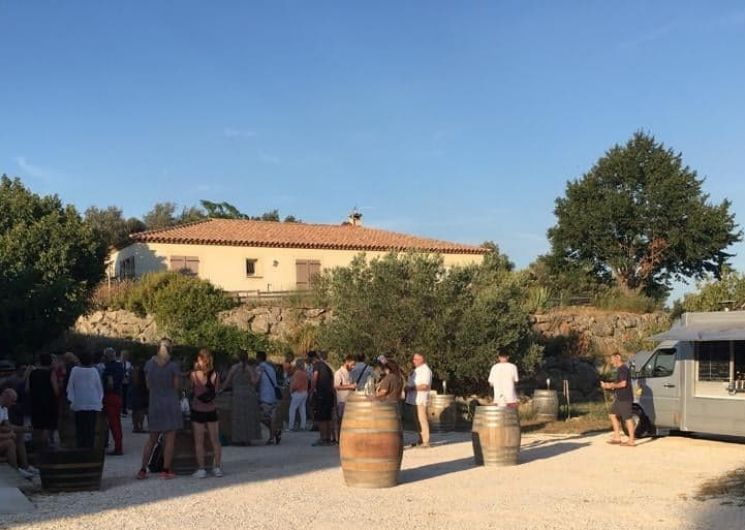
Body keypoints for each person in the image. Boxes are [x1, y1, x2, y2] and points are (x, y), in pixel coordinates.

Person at [137, 339, 182, 480]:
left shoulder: (149, 365)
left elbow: (148, 385)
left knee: (152, 439)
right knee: (169, 439)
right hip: (170, 403)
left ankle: (142, 469)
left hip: (155, 403)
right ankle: (165, 470)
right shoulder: (173, 366)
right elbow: (176, 386)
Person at [190, 349, 223, 478]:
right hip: (211, 409)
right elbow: (216, 391)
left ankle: (201, 468)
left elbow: (192, 389)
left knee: (199, 441)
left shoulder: (194, 374)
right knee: (215, 440)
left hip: (198, 409)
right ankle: (217, 467)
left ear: (200, 360)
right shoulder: (216, 375)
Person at [66, 352, 104, 449]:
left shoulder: (75, 370)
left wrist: (71, 400)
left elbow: (70, 386)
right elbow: (99, 387)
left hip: (79, 402)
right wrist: (99, 400)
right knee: (90, 428)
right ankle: (89, 447)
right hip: (92, 402)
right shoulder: (94, 371)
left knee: (80, 428)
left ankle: (81, 447)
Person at [222, 351, 261, 445]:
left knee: (238, 418)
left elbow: (227, 382)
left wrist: (221, 389)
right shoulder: (249, 368)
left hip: (237, 394)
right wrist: (259, 376)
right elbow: (254, 381)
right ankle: (248, 439)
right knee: (248, 417)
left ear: (238, 358)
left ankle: (239, 439)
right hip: (249, 394)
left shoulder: (234, 368)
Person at [0, 389, 37, 479]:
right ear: (6, 397)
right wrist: (8, 434)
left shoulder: (4, 408)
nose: (13, 404)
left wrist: (24, 429)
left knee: (19, 436)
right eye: (12, 401)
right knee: (10, 443)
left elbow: (8, 425)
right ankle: (15, 470)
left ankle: (25, 466)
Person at [601, 352, 636, 447]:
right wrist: (609, 386)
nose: (612, 362)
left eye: (613, 359)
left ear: (618, 358)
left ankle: (631, 440)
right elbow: (619, 384)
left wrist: (611, 385)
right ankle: (617, 437)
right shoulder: (620, 369)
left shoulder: (623, 369)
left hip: (625, 398)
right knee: (612, 414)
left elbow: (623, 384)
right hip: (619, 398)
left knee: (628, 418)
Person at [27, 353, 60, 449]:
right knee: (47, 426)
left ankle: (36, 446)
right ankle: (45, 446)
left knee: (37, 426)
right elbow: (56, 390)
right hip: (49, 403)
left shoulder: (33, 373)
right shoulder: (51, 373)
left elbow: (27, 388)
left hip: (35, 402)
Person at [405, 352, 432, 448]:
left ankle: (426, 441)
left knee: (422, 419)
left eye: (416, 359)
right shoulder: (416, 370)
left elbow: (425, 386)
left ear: (422, 359)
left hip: (421, 399)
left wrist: (411, 388)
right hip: (414, 399)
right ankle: (420, 439)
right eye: (413, 359)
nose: (414, 361)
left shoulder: (425, 370)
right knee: (416, 420)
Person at [308, 351, 335, 446]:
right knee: (328, 417)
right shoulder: (327, 366)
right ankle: (328, 438)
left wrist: (311, 392)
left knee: (321, 418)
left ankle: (323, 438)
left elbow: (314, 378)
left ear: (311, 359)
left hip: (321, 395)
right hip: (329, 394)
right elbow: (332, 380)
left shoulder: (317, 366)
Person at [101, 347, 125, 455]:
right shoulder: (120, 366)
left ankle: (118, 448)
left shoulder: (109, 367)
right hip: (118, 395)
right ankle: (119, 444)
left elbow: (110, 382)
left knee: (113, 423)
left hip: (110, 396)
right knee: (117, 422)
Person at [256, 351, 282, 445]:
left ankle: (272, 436)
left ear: (258, 358)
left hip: (264, 396)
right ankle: (275, 432)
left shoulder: (259, 368)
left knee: (261, 416)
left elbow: (256, 381)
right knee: (270, 417)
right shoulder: (271, 368)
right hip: (273, 395)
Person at [334, 355, 357, 432]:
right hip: (342, 401)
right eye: (352, 364)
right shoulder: (338, 373)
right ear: (347, 362)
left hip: (349, 401)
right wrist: (350, 386)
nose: (353, 367)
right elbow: (336, 386)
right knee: (341, 421)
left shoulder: (350, 373)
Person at [288, 359, 309, 431]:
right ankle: (303, 426)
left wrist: (292, 389)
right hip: (305, 392)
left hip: (298, 392)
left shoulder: (297, 373)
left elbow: (295, 384)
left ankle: (291, 426)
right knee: (302, 410)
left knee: (292, 409)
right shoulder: (305, 373)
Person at [130, 363, 149, 433]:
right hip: (142, 392)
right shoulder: (144, 372)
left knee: (135, 410)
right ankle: (140, 426)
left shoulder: (133, 371)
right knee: (141, 410)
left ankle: (135, 426)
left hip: (135, 392)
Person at [119, 350, 132, 417]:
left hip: (126, 381)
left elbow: (130, 371)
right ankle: (120, 409)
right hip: (119, 381)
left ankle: (124, 409)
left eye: (126, 355)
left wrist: (127, 374)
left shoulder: (128, 364)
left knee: (125, 395)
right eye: (123, 355)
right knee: (120, 395)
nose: (124, 357)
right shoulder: (118, 363)